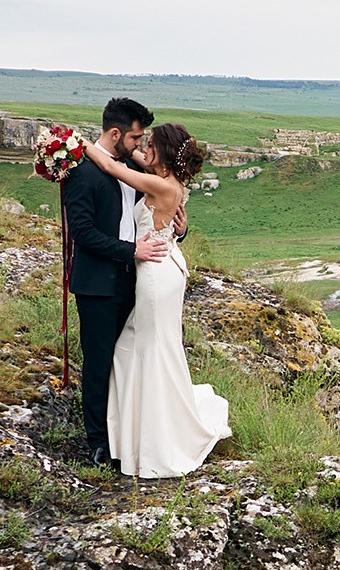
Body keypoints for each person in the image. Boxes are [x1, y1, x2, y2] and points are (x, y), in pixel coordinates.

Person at [81, 121, 232, 479]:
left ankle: (153, 440)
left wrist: (71, 143)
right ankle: (138, 433)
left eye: (149, 146)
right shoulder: (166, 178)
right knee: (149, 347)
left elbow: (110, 166)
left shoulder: (160, 184)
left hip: (155, 275)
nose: (142, 150)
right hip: (166, 265)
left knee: (147, 349)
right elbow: (130, 156)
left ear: (161, 154)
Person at [62, 96, 170, 467]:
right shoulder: (82, 172)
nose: (140, 144)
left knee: (129, 361)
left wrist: (176, 234)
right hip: (97, 285)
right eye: (136, 137)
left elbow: (156, 220)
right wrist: (130, 252)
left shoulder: (135, 171)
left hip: (137, 283)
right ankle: (96, 441)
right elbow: (83, 232)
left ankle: (125, 434)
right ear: (115, 132)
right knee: (98, 362)